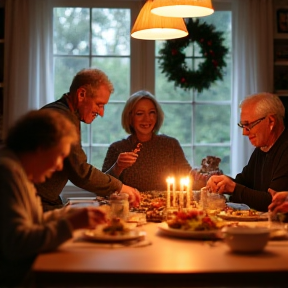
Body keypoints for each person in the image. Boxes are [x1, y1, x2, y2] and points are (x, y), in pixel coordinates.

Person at [0, 110, 107, 287]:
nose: (59, 167)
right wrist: (71, 224)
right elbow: (16, 244)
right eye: (60, 156)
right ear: (41, 148)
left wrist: (70, 214)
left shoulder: (21, 172)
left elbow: (36, 222)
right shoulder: (7, 173)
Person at [36, 68, 140, 211]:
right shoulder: (62, 118)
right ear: (81, 94)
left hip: (47, 201)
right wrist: (120, 187)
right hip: (35, 203)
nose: (101, 113)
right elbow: (81, 172)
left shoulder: (66, 113)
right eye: (99, 104)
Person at [102, 90, 204, 192]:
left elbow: (187, 179)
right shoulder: (117, 148)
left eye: (152, 113)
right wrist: (117, 167)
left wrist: (199, 179)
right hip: (130, 206)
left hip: (163, 206)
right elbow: (102, 187)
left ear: (157, 116)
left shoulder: (170, 145)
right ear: (130, 118)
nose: (147, 119)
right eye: (140, 113)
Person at [207, 92, 288, 212]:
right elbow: (244, 184)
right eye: (242, 126)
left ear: (271, 121)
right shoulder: (262, 149)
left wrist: (234, 188)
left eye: (248, 125)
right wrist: (222, 182)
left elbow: (274, 202)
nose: (244, 132)